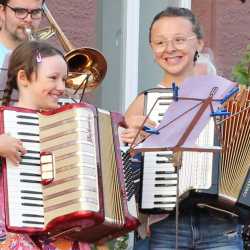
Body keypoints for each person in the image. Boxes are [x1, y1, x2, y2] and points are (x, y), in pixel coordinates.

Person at [121, 7, 244, 250]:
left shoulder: (230, 96)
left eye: (179, 40)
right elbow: (123, 177)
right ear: (152, 49)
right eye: (160, 42)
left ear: (199, 42)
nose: (169, 49)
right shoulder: (144, 102)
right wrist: (131, 146)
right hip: (165, 225)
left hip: (221, 224)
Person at [0, 40, 91, 249]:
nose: (61, 87)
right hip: (12, 234)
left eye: (64, 80)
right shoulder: (3, 122)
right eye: (53, 78)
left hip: (62, 233)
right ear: (23, 78)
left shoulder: (69, 122)